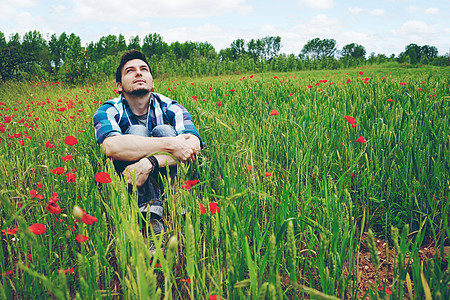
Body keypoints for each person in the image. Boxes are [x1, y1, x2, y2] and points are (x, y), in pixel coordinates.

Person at [93, 49, 202, 236]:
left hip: (156, 174)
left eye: (144, 69)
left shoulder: (171, 106)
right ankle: (150, 222)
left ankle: (177, 211)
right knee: (137, 131)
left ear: (152, 82)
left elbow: (192, 146)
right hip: (129, 179)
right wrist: (172, 144)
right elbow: (111, 147)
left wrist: (149, 163)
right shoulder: (108, 110)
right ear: (119, 86)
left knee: (164, 130)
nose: (138, 73)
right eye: (130, 70)